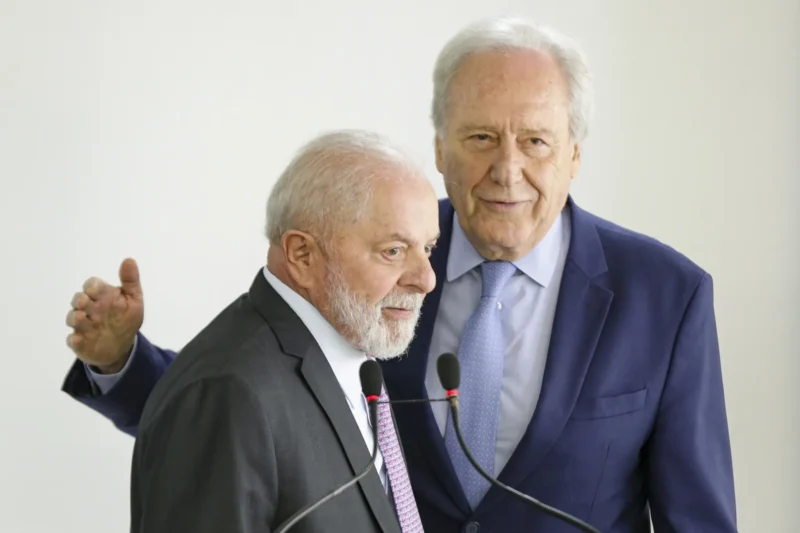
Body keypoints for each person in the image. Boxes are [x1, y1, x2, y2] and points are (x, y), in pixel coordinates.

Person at [62, 16, 737, 533]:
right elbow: (255, 406)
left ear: (574, 154)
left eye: (535, 141)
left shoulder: (666, 295)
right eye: (480, 138)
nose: (507, 170)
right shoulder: (373, 251)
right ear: (440, 148)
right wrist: (123, 363)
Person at [76, 129, 441, 533]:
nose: (426, 279)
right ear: (302, 255)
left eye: (428, 248)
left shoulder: (354, 344)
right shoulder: (229, 390)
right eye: (393, 251)